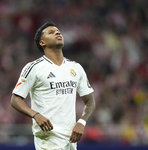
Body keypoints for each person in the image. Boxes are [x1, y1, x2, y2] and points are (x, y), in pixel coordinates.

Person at [11, 22, 95, 150]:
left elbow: (90, 101)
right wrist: (35, 115)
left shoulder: (76, 68)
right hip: (48, 140)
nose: (57, 33)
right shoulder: (34, 68)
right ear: (42, 42)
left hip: (71, 141)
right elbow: (15, 100)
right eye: (51, 32)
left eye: (58, 31)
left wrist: (81, 122)